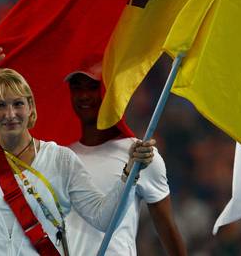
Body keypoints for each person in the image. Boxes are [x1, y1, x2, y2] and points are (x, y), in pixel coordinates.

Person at [0, 42, 157, 256]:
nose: (10, 114)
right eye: (0, 105)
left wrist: (129, 174)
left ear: (31, 108)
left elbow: (104, 218)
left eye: (18, 104)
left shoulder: (60, 160)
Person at [64, 64, 187, 255]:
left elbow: (167, 227)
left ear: (110, 92)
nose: (84, 95)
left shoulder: (141, 155)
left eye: (93, 87)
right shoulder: (61, 157)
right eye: (77, 88)